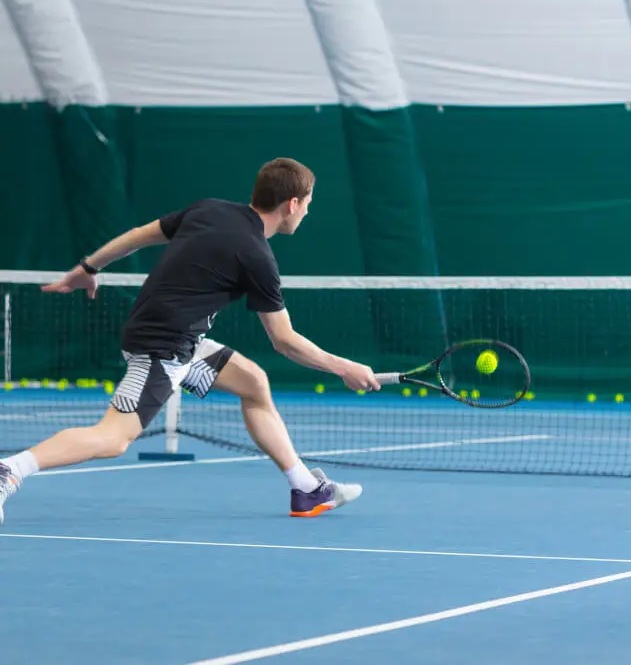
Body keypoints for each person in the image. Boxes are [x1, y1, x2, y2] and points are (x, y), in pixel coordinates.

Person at [0, 157, 381, 523]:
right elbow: (284, 341)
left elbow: (139, 236)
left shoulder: (208, 210)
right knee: (114, 438)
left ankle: (307, 488)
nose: (308, 211)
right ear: (292, 204)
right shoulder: (257, 257)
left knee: (253, 383)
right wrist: (344, 367)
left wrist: (89, 266)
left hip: (178, 339)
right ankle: (11, 469)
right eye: (308, 203)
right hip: (161, 347)